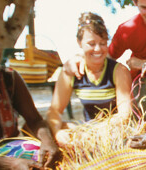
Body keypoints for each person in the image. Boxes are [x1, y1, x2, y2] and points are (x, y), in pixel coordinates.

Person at [64, 0, 146, 118]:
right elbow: (105, 56)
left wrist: (144, 63)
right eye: (144, 8)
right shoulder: (126, 30)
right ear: (135, 3)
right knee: (141, 112)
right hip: (143, 74)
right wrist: (80, 57)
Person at [0, 22, 60, 169]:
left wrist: (47, 140)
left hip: (8, 153)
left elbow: (34, 120)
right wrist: (8, 164)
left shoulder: (9, 79)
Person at [46, 12, 132, 144]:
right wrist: (57, 133)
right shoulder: (71, 71)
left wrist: (96, 130)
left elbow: (124, 115)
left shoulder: (118, 71)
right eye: (91, 44)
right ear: (79, 42)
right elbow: (55, 111)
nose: (98, 49)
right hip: (87, 130)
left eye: (103, 43)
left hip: (113, 132)